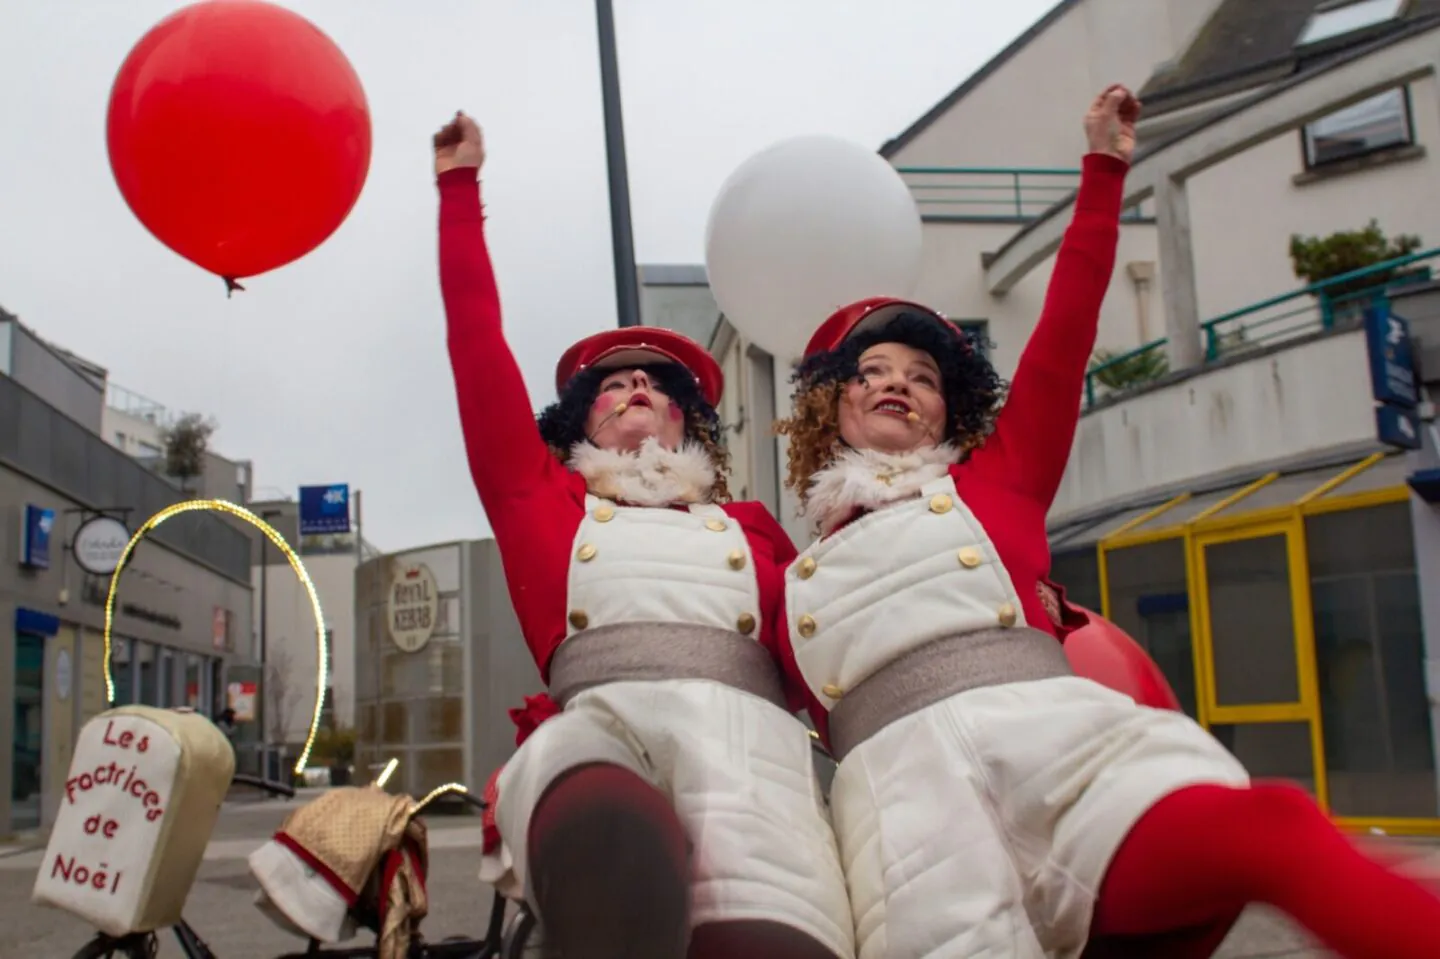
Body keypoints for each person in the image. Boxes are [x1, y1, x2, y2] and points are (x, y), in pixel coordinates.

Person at [774, 84, 1440, 959]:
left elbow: (1066, 325)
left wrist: (1103, 168)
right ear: (832, 403)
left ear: (948, 412)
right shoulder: (780, 577)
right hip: (909, 830)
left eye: (926, 376)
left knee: (1270, 827)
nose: (899, 381)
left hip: (1070, 762)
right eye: (872, 369)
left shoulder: (1001, 481)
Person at [434, 112, 852, 959]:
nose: (632, 387)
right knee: (608, 848)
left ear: (683, 420)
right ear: (579, 418)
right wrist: (458, 194)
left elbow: (823, 653)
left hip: (752, 766)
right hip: (603, 741)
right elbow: (478, 353)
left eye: (652, 385)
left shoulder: (750, 529)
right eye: (611, 384)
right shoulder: (542, 505)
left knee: (772, 945)